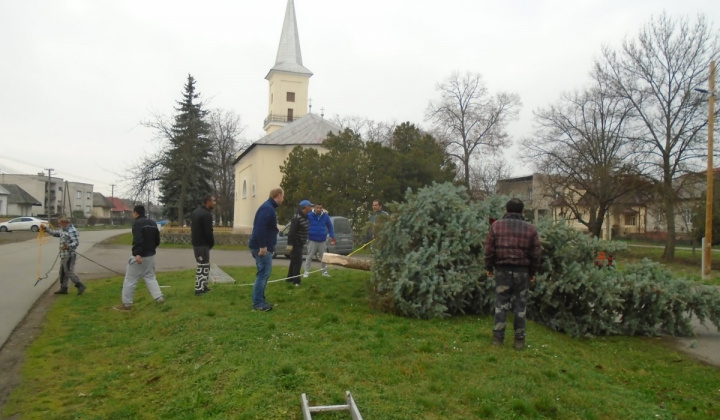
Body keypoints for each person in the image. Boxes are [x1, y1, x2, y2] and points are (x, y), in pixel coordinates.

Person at [484, 198, 541, 351]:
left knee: (501, 303)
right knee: (520, 305)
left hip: (502, 270)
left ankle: (498, 338)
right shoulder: (531, 229)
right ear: (522, 211)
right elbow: (536, 253)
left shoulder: (496, 226)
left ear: (507, 210)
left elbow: (489, 249)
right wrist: (533, 272)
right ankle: (519, 340)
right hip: (522, 272)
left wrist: (489, 267)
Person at [113, 205, 164, 311]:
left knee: (130, 280)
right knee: (150, 277)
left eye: (133, 213)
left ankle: (126, 304)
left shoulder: (137, 223)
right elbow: (157, 241)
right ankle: (159, 298)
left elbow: (138, 240)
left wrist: (137, 254)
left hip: (140, 256)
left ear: (136, 213)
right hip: (151, 255)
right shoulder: (153, 223)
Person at [248, 187, 284, 311]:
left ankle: (261, 300)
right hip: (262, 248)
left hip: (263, 246)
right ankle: (258, 303)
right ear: (278, 195)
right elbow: (260, 228)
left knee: (264, 274)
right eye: (282, 197)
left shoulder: (268, 207)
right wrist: (263, 246)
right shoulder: (267, 209)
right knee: (263, 274)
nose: (283, 199)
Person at [42, 216, 86, 295]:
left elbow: (76, 242)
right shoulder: (63, 230)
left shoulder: (72, 230)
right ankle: (64, 288)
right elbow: (56, 233)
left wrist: (68, 246)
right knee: (62, 272)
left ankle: (80, 285)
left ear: (65, 223)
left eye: (60, 223)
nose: (59, 224)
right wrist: (46, 229)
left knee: (68, 271)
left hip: (69, 255)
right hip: (63, 255)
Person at [191, 194, 216, 296]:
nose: (214, 203)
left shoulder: (196, 212)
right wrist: (211, 243)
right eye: (213, 201)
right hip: (202, 244)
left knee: (205, 265)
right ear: (208, 202)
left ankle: (203, 286)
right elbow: (208, 232)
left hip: (197, 243)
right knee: (202, 266)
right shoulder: (206, 215)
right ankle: (199, 289)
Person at [304, 202, 335, 278]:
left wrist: (332, 236)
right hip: (312, 239)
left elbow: (330, 226)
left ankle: (324, 272)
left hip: (322, 240)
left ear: (322, 208)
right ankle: (306, 272)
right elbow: (304, 225)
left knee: (323, 257)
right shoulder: (309, 215)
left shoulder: (325, 216)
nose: (319, 209)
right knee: (309, 256)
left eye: (320, 208)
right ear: (314, 208)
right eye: (317, 208)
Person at [286, 199, 312, 285]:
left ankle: (289, 278)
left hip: (300, 243)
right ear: (305, 207)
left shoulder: (306, 216)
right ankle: (296, 281)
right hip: (295, 242)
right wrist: (290, 244)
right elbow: (292, 231)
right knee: (298, 262)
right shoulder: (297, 217)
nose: (311, 208)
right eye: (310, 206)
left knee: (294, 261)